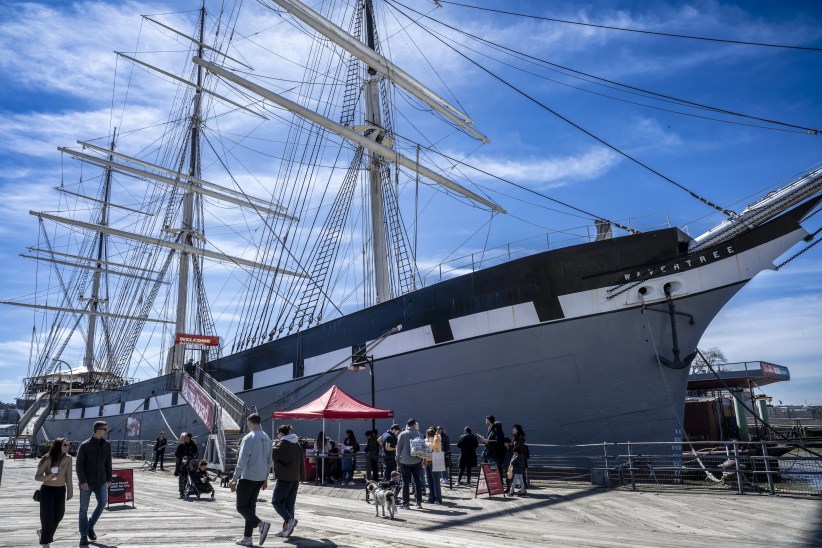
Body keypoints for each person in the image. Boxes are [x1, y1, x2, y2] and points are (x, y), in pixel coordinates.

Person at [230, 413, 273, 547]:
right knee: (250, 508)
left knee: (241, 507)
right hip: (260, 478)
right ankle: (247, 538)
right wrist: (265, 478)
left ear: (250, 422)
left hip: (248, 476)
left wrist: (234, 478)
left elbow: (242, 460)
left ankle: (261, 525)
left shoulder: (249, 438)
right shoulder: (267, 438)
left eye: (247, 424)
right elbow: (269, 461)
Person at [76, 421, 112, 546]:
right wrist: (82, 481)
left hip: (101, 481)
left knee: (102, 503)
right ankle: (83, 535)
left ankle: (90, 526)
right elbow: (79, 465)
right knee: (83, 509)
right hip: (87, 482)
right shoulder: (85, 445)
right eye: (105, 429)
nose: (106, 431)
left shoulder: (107, 445)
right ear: (98, 430)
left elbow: (108, 463)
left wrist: (109, 479)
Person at [35, 438, 73, 548]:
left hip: (61, 490)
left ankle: (43, 532)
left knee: (59, 515)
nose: (67, 447)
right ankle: (45, 542)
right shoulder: (47, 458)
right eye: (65, 445)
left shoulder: (69, 459)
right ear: (58, 446)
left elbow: (69, 477)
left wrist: (70, 492)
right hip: (47, 490)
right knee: (47, 517)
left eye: (68, 445)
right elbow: (37, 477)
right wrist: (47, 477)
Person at [271, 424, 306, 538]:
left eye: (278, 434)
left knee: (276, 501)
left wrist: (274, 445)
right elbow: (302, 462)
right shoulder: (297, 445)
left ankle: (289, 521)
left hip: (284, 477)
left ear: (281, 433)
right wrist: (302, 477)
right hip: (295, 477)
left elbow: (273, 456)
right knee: (289, 505)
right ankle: (286, 530)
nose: (277, 436)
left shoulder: (281, 444)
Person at [395, 418, 424, 509]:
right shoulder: (419, 434)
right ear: (414, 425)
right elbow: (423, 449)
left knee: (405, 482)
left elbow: (398, 448)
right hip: (417, 461)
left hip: (405, 461)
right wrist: (423, 459)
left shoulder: (402, 434)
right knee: (417, 481)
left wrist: (397, 459)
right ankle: (418, 502)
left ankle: (406, 503)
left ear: (407, 425)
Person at [479, 415, 505, 482]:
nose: (485, 422)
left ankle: (499, 484)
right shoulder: (490, 429)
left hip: (495, 453)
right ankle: (494, 484)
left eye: (486, 420)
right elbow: (491, 441)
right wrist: (484, 441)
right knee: (492, 469)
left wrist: (487, 441)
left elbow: (499, 441)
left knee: (496, 469)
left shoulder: (496, 428)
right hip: (490, 453)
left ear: (488, 421)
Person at [174, 432, 198, 498]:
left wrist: (193, 457)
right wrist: (182, 458)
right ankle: (181, 491)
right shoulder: (181, 445)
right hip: (183, 464)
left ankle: (194, 489)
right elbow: (176, 453)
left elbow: (196, 453)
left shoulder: (193, 445)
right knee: (182, 477)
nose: (187, 438)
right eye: (186, 437)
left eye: (188, 437)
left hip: (191, 463)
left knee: (193, 476)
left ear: (190, 438)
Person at [423, 427, 443, 504]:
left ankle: (438, 498)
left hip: (435, 462)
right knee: (430, 481)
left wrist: (428, 444)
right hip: (428, 462)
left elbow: (435, 449)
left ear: (428, 435)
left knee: (436, 481)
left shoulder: (436, 439)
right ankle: (431, 497)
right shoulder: (427, 441)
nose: (425, 435)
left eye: (426, 434)